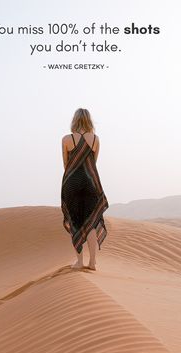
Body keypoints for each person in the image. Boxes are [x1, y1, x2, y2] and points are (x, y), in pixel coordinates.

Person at [61, 108, 109, 270]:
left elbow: (66, 165)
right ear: (89, 121)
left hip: (72, 184)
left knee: (76, 222)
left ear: (74, 120)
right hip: (91, 183)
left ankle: (80, 261)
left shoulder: (66, 139)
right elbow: (93, 163)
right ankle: (93, 262)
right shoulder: (95, 139)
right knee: (91, 223)